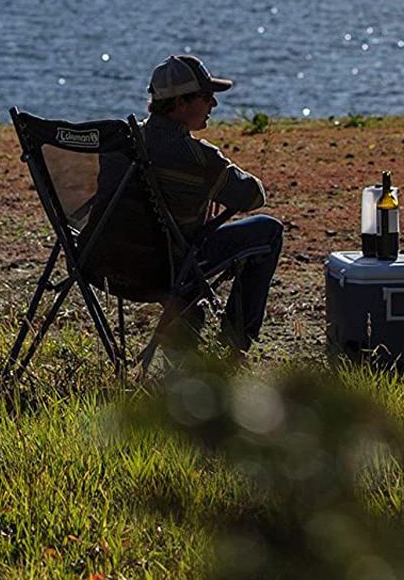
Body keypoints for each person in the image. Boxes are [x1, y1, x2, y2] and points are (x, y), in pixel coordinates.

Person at [93, 54, 284, 357]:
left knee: (184, 239)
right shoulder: (198, 158)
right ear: (181, 103)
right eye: (207, 97)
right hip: (163, 270)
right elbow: (253, 197)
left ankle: (184, 346)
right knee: (269, 231)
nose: (214, 105)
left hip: (98, 261)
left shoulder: (121, 141)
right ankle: (234, 348)